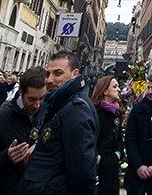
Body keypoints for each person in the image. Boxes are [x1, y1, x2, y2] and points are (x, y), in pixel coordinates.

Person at [18, 50, 97, 195]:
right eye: (48, 74)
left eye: (58, 73)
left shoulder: (75, 110)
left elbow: (82, 169)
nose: (49, 80)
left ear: (74, 74)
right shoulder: (59, 102)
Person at [0, 66, 48, 195]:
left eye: (42, 98)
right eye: (32, 99)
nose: (37, 105)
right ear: (20, 92)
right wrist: (7, 157)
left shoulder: (47, 113)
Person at [93, 75, 124, 195]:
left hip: (112, 169)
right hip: (97, 169)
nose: (119, 89)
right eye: (115, 86)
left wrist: (118, 154)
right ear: (105, 90)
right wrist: (99, 159)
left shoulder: (117, 113)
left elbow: (119, 138)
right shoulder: (95, 112)